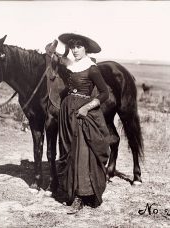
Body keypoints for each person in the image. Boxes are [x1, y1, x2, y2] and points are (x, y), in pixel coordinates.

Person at [57, 33, 110, 214]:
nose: (75, 50)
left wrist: (87, 107)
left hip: (82, 114)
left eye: (79, 46)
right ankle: (69, 191)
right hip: (67, 112)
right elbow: (62, 62)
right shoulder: (73, 66)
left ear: (85, 48)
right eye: (72, 46)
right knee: (68, 150)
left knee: (82, 153)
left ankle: (82, 194)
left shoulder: (92, 68)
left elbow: (104, 93)